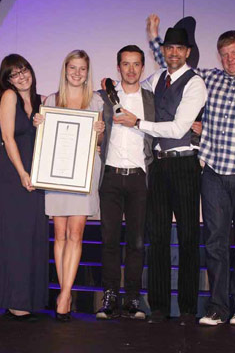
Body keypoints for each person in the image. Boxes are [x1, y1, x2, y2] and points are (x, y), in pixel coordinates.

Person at [146, 14, 235, 326]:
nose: (230, 59)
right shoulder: (209, 79)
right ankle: (218, 307)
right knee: (215, 243)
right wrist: (155, 38)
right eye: (224, 54)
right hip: (213, 171)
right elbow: (174, 61)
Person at [116, 27, 206, 326]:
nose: (174, 53)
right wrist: (108, 86)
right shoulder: (156, 79)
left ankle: (188, 308)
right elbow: (131, 86)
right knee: (157, 237)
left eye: (179, 48)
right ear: (163, 51)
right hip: (158, 165)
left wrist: (138, 123)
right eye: (169, 48)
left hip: (184, 164)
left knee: (189, 237)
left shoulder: (195, 83)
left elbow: (179, 128)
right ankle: (158, 307)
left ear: (188, 52)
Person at [33, 49, 105, 321]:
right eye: (72, 67)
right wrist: (39, 124)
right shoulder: (52, 100)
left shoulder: (95, 100)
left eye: (82, 68)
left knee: (76, 234)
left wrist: (99, 133)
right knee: (60, 234)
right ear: (65, 70)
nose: (77, 73)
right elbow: (45, 139)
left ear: (88, 72)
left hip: (83, 172)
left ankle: (64, 295)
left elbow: (98, 143)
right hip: (57, 173)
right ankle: (65, 292)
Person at [0, 54, 48, 322]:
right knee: (14, 237)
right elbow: (7, 137)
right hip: (14, 174)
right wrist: (22, 172)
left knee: (31, 235)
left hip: (36, 174)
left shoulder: (40, 101)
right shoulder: (9, 97)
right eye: (14, 74)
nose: (21, 77)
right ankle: (15, 301)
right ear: (8, 80)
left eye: (24, 70)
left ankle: (29, 298)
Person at [95, 45, 155, 320]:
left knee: (137, 242)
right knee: (109, 240)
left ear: (142, 67)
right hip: (110, 176)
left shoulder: (151, 99)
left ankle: (132, 297)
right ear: (118, 67)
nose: (131, 69)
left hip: (139, 178)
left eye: (136, 64)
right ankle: (109, 295)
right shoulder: (103, 97)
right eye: (126, 64)